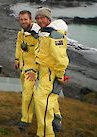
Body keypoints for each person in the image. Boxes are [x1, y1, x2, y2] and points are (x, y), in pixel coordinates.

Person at [27, 8, 69, 137]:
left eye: (42, 18)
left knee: (42, 103)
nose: (40, 21)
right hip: (44, 72)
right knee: (51, 100)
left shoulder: (55, 35)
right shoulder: (44, 32)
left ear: (49, 19)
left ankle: (45, 134)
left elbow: (61, 59)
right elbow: (43, 54)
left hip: (51, 73)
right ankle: (57, 122)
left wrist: (60, 76)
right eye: (38, 18)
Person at [14, 10, 40, 131]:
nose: (23, 21)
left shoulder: (38, 35)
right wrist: (16, 59)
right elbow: (19, 45)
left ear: (31, 20)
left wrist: (35, 70)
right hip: (23, 68)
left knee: (27, 95)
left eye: (25, 19)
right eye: (21, 19)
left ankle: (25, 120)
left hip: (32, 70)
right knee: (27, 93)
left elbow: (42, 54)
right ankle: (30, 117)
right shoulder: (21, 33)